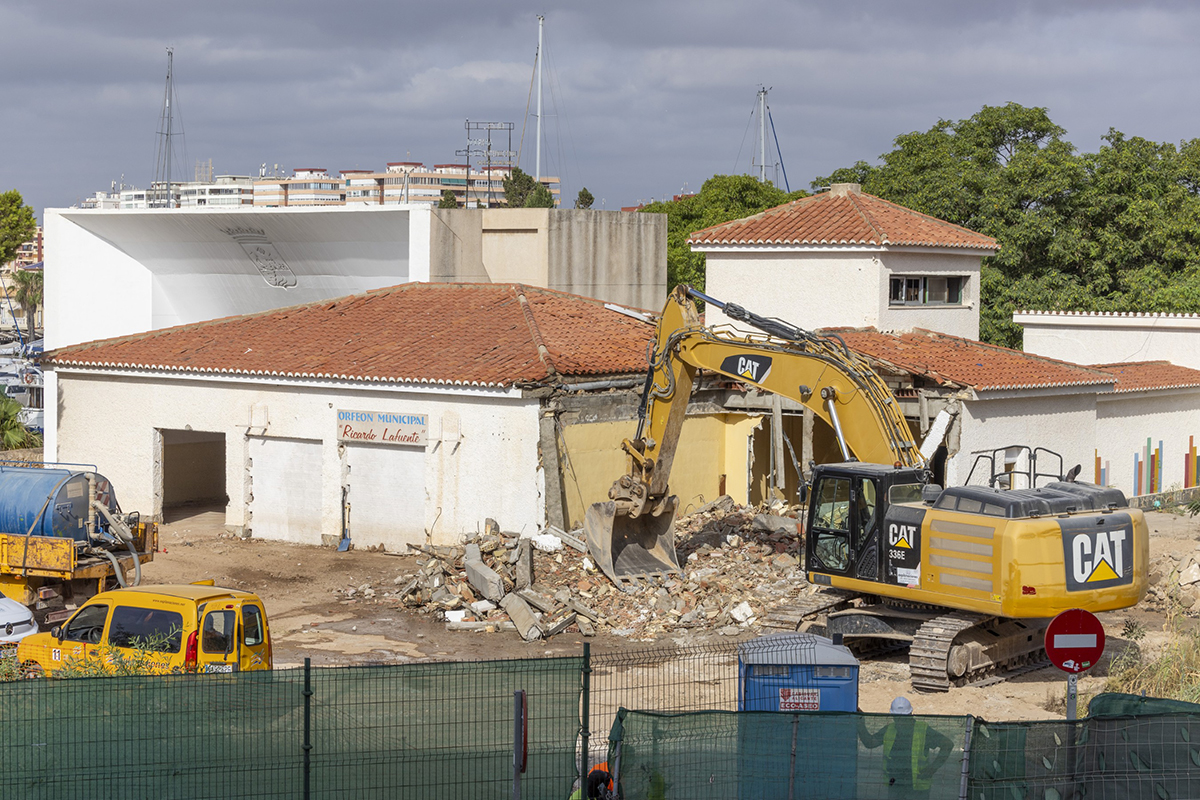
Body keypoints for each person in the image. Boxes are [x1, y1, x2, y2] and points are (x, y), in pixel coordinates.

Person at [858, 696, 954, 800]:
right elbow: (870, 743)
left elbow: (947, 744)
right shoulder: (889, 730)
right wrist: (860, 721)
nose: (900, 721)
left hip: (917, 787)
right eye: (897, 718)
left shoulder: (923, 730)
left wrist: (932, 769)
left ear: (910, 715)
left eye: (902, 717)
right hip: (895, 784)